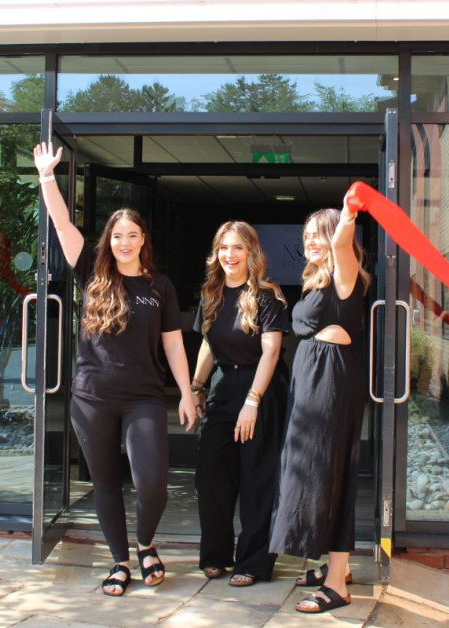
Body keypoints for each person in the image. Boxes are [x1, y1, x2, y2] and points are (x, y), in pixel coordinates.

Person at [33, 142, 196, 596]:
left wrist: (185, 391)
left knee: (152, 483)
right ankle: (121, 561)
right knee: (105, 483)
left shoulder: (159, 286)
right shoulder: (91, 271)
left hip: (143, 397)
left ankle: (146, 544)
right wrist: (48, 175)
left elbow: (174, 343)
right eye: (118, 235)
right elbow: (63, 223)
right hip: (92, 398)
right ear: (110, 240)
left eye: (133, 235)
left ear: (144, 240)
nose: (125, 242)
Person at [269, 192, 370, 614]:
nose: (312, 241)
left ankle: (337, 585)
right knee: (311, 471)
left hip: (330, 383)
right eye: (307, 235)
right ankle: (336, 566)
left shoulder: (346, 273)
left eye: (319, 235)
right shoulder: (319, 279)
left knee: (328, 473)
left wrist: (346, 216)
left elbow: (343, 244)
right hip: (311, 382)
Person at [190, 221, 289, 587]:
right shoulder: (212, 294)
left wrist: (253, 401)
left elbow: (272, 351)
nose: (230, 255)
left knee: (256, 479)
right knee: (211, 476)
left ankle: (253, 562)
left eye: (238, 248)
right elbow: (207, 344)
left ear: (251, 253)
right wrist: (197, 386)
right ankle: (216, 555)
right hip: (223, 387)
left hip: (259, 387)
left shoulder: (267, 295)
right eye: (224, 248)